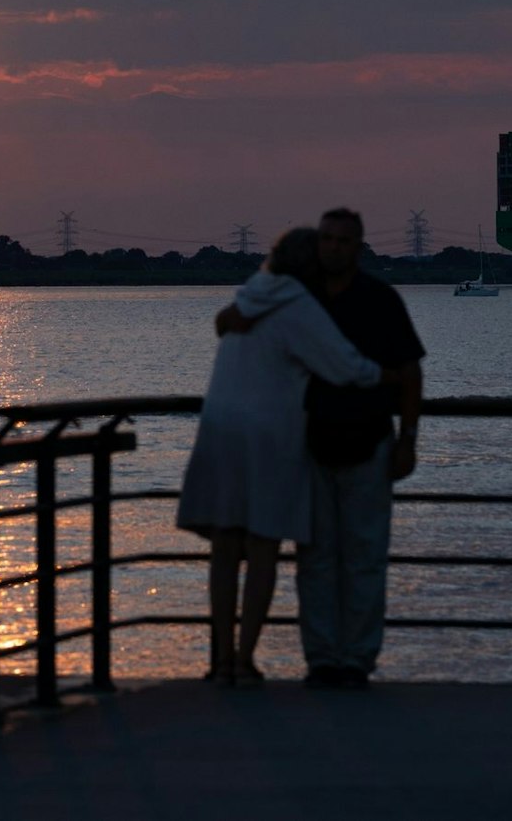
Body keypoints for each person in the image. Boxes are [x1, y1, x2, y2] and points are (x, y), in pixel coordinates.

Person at [218, 207, 425, 689]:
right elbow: (230, 322)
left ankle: (356, 659)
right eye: (326, 240)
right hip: (305, 446)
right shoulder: (295, 297)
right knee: (314, 559)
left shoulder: (381, 299)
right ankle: (322, 659)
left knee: (365, 557)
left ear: (359, 246)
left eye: (344, 241)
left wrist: (409, 440)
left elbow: (411, 372)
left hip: (370, 440)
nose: (334, 248)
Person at [178, 228, 385, 687]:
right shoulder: (298, 305)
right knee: (262, 545)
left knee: (225, 548)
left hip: (219, 427)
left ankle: (220, 658)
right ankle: (244, 659)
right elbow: (345, 367)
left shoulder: (248, 298)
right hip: (268, 434)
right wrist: (384, 376)